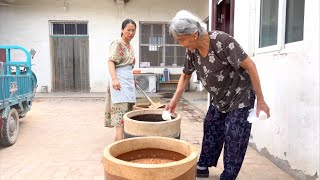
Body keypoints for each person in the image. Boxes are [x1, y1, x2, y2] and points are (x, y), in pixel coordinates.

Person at [166, 10, 270, 179]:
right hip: (219, 98)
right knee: (211, 126)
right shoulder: (192, 50)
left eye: (181, 39)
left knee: (234, 134)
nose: (180, 44)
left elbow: (250, 66)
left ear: (193, 34)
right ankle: (204, 164)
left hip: (240, 95)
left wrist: (261, 101)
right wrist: (174, 101)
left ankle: (228, 174)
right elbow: (186, 74)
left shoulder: (223, 42)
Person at [105, 19, 137, 141]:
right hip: (119, 81)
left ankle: (119, 141)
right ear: (122, 30)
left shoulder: (130, 46)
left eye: (133, 30)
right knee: (120, 112)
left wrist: (132, 79)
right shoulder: (118, 43)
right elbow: (111, 62)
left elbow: (128, 66)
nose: (131, 33)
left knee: (127, 112)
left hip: (127, 81)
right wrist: (114, 79)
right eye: (128, 30)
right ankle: (119, 142)